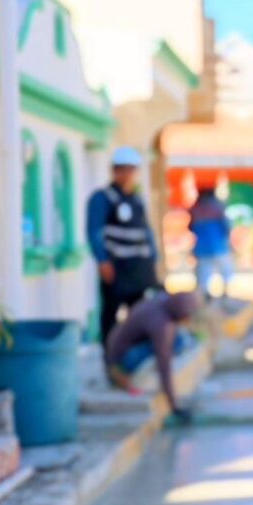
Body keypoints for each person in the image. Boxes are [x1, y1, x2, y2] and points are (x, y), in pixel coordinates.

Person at [87, 146, 160, 354]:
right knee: (111, 314)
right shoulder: (102, 198)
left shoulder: (136, 199)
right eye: (122, 169)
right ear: (114, 170)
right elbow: (94, 231)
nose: (127, 174)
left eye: (131, 169)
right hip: (116, 268)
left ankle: (136, 358)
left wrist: (153, 259)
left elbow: (146, 231)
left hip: (138, 268)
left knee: (141, 314)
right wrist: (102, 260)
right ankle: (110, 358)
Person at [104, 290, 201, 423]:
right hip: (122, 360)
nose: (188, 320)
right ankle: (127, 378)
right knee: (178, 342)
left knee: (181, 338)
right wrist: (174, 407)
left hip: (115, 350)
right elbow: (164, 366)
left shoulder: (160, 301)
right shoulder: (161, 324)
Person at [188, 188, 235, 301]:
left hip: (202, 249)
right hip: (219, 247)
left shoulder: (196, 210)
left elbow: (191, 228)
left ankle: (205, 296)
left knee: (203, 274)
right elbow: (226, 228)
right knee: (226, 272)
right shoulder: (218, 208)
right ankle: (224, 294)